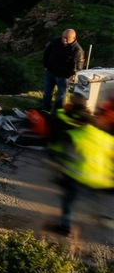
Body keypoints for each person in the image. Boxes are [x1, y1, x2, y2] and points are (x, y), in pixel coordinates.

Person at [48, 86, 114, 237]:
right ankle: (102, 217)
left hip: (78, 175)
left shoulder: (74, 136)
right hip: (99, 178)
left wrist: (57, 169)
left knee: (68, 200)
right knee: (91, 197)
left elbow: (63, 156)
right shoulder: (105, 137)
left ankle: (65, 227)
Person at [43, 29, 85, 112]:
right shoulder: (56, 41)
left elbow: (77, 66)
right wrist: (45, 66)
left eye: (67, 38)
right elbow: (46, 53)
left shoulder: (77, 50)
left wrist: (70, 75)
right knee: (47, 93)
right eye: (63, 37)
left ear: (74, 38)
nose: (64, 40)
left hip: (63, 76)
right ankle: (45, 109)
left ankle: (58, 112)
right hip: (50, 72)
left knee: (61, 96)